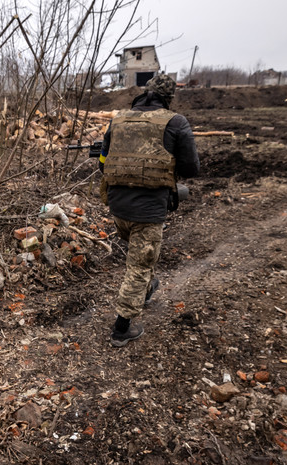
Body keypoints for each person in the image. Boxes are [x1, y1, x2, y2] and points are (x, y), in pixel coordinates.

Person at [99, 73, 200, 347]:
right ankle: (122, 328)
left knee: (141, 256)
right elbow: (192, 168)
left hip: (117, 206)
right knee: (139, 266)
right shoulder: (176, 122)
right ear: (168, 98)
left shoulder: (117, 119)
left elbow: (102, 161)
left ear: (145, 93)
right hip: (148, 211)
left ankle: (148, 288)